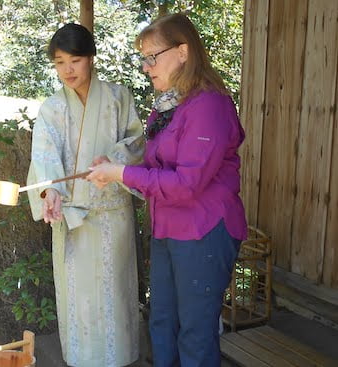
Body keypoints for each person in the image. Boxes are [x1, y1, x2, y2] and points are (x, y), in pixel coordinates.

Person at [86, 13, 247, 367]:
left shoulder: (209, 106)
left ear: (184, 51)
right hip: (168, 229)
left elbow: (187, 184)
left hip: (203, 231)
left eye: (152, 57)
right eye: (143, 58)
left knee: (195, 332)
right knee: (161, 321)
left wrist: (122, 174)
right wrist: (111, 169)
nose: (146, 67)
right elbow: (157, 167)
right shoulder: (169, 106)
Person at [26, 23, 145, 367]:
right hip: (73, 218)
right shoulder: (51, 109)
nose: (67, 70)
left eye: (75, 60)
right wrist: (51, 193)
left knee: (115, 295)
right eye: (59, 62)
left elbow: (137, 142)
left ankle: (121, 359)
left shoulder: (118, 97)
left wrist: (115, 163)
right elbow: (44, 157)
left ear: (91, 58)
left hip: (112, 216)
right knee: (79, 300)